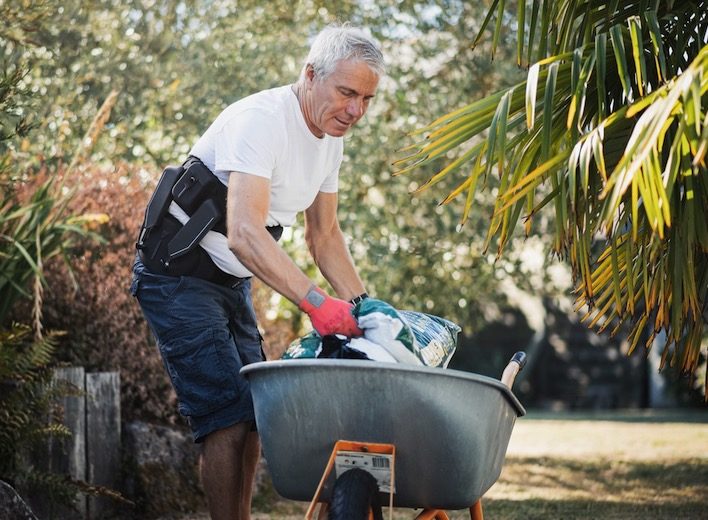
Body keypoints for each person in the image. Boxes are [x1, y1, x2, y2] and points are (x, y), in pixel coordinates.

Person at [130, 24, 384, 520]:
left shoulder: (330, 137)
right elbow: (245, 231)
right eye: (347, 93)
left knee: (253, 414)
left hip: (229, 279)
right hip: (175, 276)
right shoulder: (262, 120)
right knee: (225, 414)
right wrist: (315, 303)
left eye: (367, 99)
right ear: (310, 75)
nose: (355, 111)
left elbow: (324, 237)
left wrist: (366, 308)